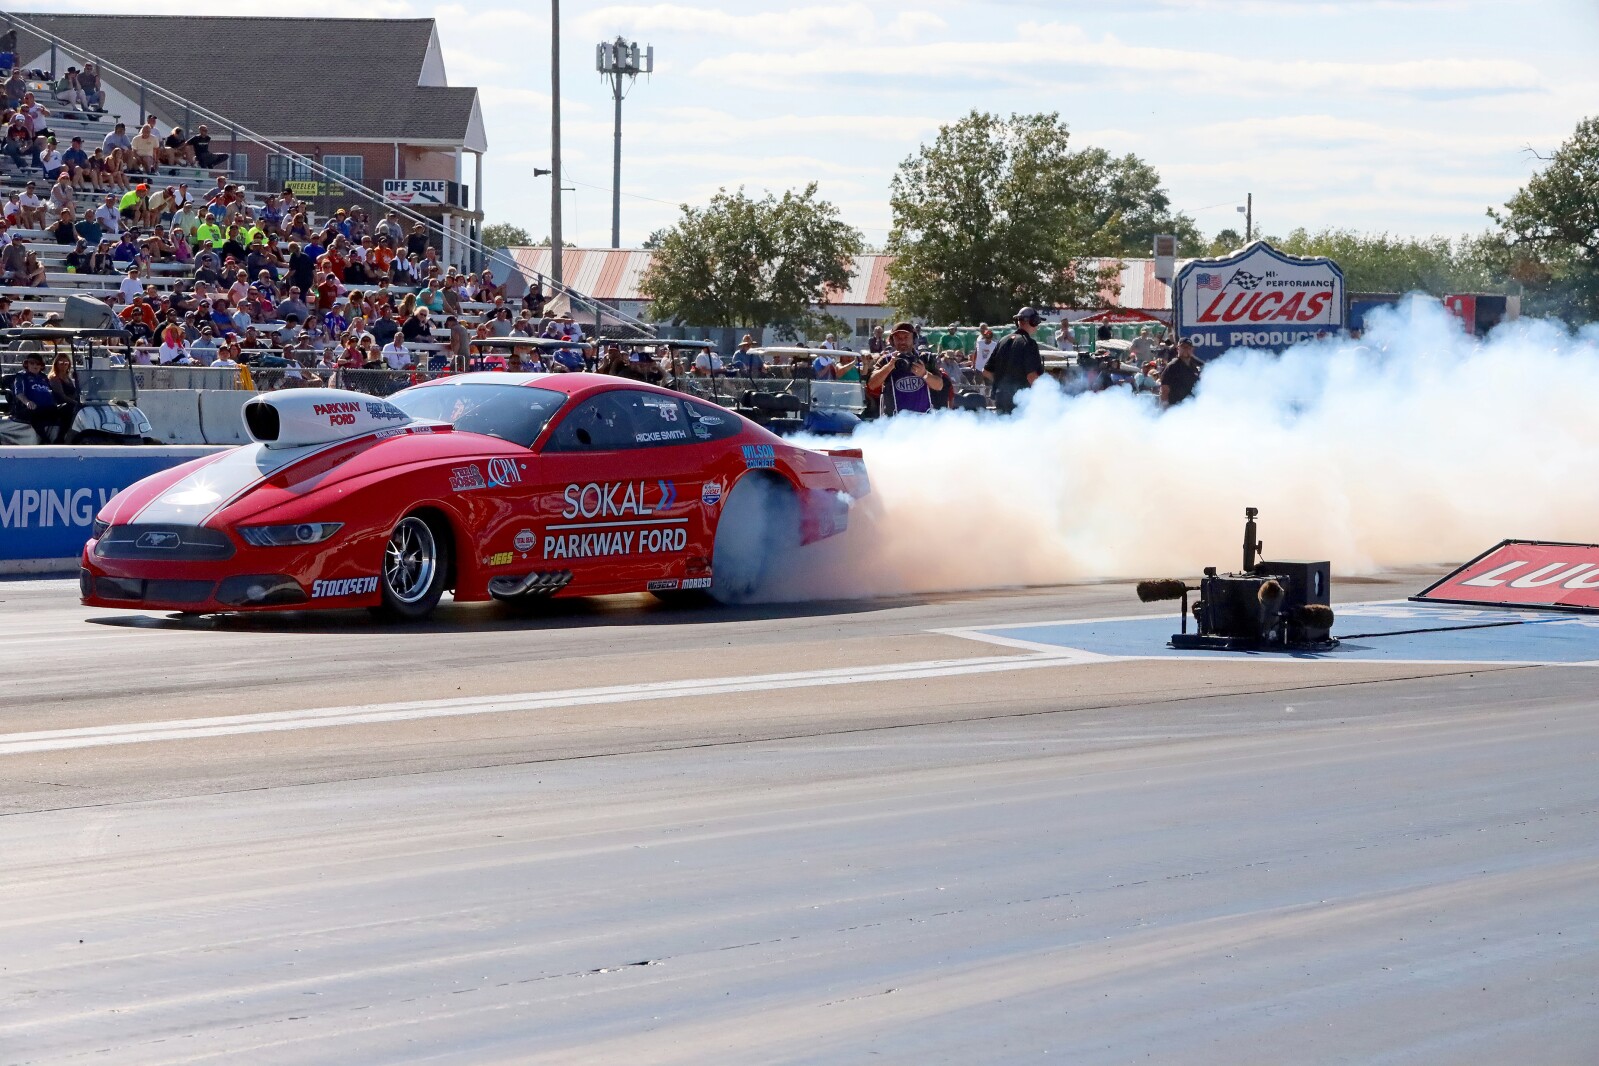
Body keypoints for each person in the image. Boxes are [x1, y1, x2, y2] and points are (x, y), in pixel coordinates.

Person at [868, 321, 944, 416]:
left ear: (914, 339)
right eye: (898, 338)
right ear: (892, 341)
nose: (902, 341)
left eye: (906, 337)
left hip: (923, 421)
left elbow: (939, 386)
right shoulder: (886, 360)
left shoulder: (926, 358)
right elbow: (872, 385)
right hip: (894, 421)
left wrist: (925, 374)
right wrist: (889, 366)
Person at [984, 306, 1045, 415]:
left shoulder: (1002, 340)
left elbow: (986, 371)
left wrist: (1003, 385)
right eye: (1037, 321)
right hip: (1020, 400)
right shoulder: (1029, 343)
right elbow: (1032, 376)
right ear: (1031, 321)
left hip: (1001, 397)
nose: (1037, 325)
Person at [8, 353, 66, 441]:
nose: (35, 365)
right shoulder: (22, 376)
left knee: (69, 409)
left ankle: (61, 438)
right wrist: (27, 402)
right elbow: (19, 393)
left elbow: (52, 392)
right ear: (27, 364)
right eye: (32, 363)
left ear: (41, 366)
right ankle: (45, 440)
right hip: (30, 407)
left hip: (49, 407)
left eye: (38, 363)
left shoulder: (44, 377)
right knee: (35, 413)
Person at [1160, 338, 1201, 407]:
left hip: (1192, 408)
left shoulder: (1194, 366)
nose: (1186, 349)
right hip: (1176, 408)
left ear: (1192, 349)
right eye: (1183, 347)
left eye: (1188, 347)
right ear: (1178, 349)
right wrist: (1165, 409)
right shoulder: (1172, 366)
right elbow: (1164, 390)